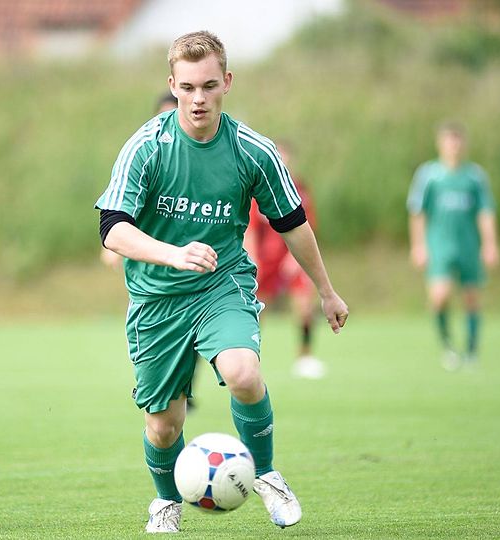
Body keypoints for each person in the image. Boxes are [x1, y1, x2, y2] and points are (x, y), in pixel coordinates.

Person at [95, 31, 348, 533]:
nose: (198, 98)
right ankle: (166, 501)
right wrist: (173, 254)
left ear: (226, 82)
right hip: (156, 298)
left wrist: (326, 290)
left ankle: (268, 474)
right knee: (164, 426)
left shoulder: (253, 150)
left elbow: (293, 223)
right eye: (187, 87)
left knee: (244, 374)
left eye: (209, 86)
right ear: (172, 84)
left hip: (222, 283)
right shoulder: (147, 146)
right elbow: (112, 230)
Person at [407, 123, 498, 371]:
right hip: (440, 246)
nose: (454, 145)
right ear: (441, 143)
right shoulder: (429, 175)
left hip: (468, 245)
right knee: (439, 297)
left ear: (464, 144)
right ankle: (448, 346)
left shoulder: (474, 176)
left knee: (471, 298)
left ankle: (471, 350)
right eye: (449, 140)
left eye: (458, 140)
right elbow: (418, 212)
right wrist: (418, 246)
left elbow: (485, 212)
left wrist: (490, 244)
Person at [243, 142, 324, 379]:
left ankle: (305, 357)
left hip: (292, 257)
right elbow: (250, 228)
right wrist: (253, 257)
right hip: (265, 261)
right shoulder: (258, 189)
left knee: (304, 306)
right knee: (257, 311)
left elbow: (306, 227)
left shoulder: (300, 190)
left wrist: (295, 257)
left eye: (285, 157)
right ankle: (250, 359)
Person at [100, 91, 178, 269]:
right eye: (162, 115)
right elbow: (117, 217)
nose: (168, 120)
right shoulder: (143, 158)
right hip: (148, 275)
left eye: (173, 114)